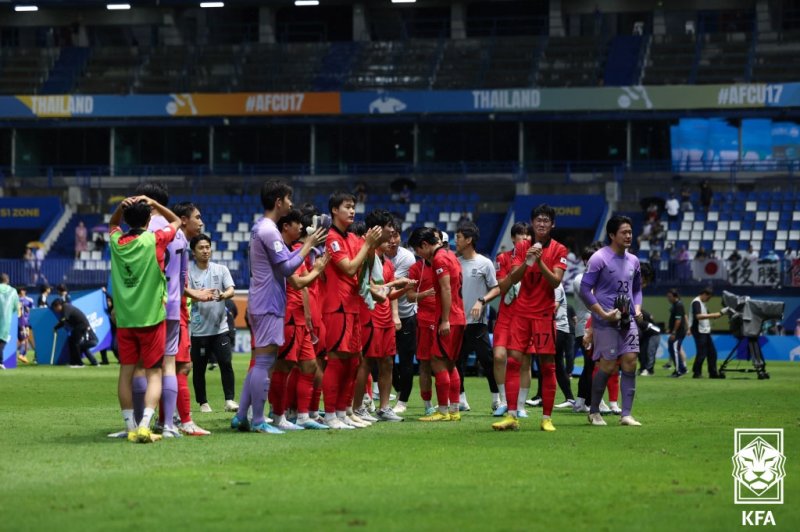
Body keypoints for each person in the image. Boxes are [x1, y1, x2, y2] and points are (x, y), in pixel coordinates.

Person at [230, 180, 327, 434]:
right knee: (265, 362)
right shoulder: (269, 231)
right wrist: (308, 245)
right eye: (288, 199)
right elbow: (286, 269)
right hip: (268, 303)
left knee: (261, 361)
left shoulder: (260, 228)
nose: (291, 204)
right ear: (278, 202)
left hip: (262, 300)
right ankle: (260, 420)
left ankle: (242, 415)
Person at [109, 194, 180, 443]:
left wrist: (120, 208)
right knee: (154, 374)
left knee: (126, 373)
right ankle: (145, 425)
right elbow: (177, 221)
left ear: (127, 219)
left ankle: (129, 426)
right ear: (149, 218)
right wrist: (156, 204)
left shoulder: (116, 241)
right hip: (151, 318)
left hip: (126, 320)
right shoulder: (154, 239)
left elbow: (112, 224)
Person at [492, 204, 567, 432]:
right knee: (514, 362)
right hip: (521, 314)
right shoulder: (522, 247)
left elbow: (555, 282)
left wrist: (540, 260)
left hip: (544, 314)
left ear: (552, 224)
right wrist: (528, 261)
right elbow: (513, 279)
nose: (542, 224)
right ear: (533, 224)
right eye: (538, 220)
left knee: (547, 366)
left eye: (546, 220)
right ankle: (512, 416)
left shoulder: (560, 249)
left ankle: (546, 418)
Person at [316, 191, 381, 430]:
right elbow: (350, 268)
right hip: (336, 307)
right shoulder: (331, 238)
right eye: (347, 206)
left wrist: (371, 249)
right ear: (334, 210)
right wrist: (367, 245)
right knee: (336, 360)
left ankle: (344, 412)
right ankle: (331, 414)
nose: (352, 210)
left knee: (354, 361)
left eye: (354, 206)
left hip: (353, 306)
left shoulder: (353, 239)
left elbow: (367, 269)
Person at [269, 209, 330, 431]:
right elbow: (298, 283)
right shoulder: (289, 251)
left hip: (300, 317)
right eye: (297, 224)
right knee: (284, 366)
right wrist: (318, 270)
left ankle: (303, 415)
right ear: (286, 226)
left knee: (309, 365)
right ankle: (278, 415)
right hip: (290, 315)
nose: (301, 229)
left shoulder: (297, 251)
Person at [579, 215, 643, 427]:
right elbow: (585, 290)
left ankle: (626, 414)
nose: (628, 235)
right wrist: (602, 314)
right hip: (606, 321)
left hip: (628, 319)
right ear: (612, 235)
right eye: (624, 232)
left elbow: (637, 289)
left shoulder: (634, 260)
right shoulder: (599, 258)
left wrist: (637, 308)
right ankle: (594, 411)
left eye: (630, 232)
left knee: (631, 361)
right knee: (606, 366)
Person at [352, 210, 413, 423]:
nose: (393, 234)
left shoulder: (386, 262)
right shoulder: (366, 252)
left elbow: (385, 293)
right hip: (369, 315)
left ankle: (384, 408)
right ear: (378, 230)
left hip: (385, 317)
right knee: (367, 362)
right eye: (389, 228)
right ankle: (357, 407)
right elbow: (366, 286)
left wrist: (403, 288)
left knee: (387, 362)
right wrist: (393, 284)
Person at [408, 227, 466, 422]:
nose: (418, 255)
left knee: (437, 361)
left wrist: (445, 320)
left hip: (449, 318)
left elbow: (446, 289)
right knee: (450, 364)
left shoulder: (440, 259)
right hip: (459, 316)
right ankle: (455, 410)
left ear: (424, 245)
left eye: (418, 250)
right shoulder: (450, 255)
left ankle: (442, 411)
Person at [172, 201, 212, 436]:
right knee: (181, 366)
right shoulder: (177, 242)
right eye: (197, 217)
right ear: (183, 219)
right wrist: (193, 293)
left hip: (176, 312)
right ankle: (182, 420)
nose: (201, 221)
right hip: (175, 313)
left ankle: (170, 418)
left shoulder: (180, 243)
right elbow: (171, 278)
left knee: (172, 367)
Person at [188, 234, 238, 416]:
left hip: (220, 328)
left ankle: (229, 400)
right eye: (201, 248)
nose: (205, 251)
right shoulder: (188, 272)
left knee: (226, 362)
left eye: (207, 247)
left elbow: (231, 289)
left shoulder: (221, 269)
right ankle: (203, 402)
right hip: (199, 330)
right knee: (199, 368)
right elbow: (184, 293)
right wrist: (198, 295)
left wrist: (224, 295)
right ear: (193, 252)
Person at [454, 221, 500, 412]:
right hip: (458, 322)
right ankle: (461, 399)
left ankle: (497, 399)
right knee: (457, 361)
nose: (456, 241)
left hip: (477, 323)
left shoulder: (485, 263)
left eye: (458, 237)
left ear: (469, 240)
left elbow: (496, 288)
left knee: (487, 361)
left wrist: (482, 301)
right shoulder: (455, 262)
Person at [492, 222, 530, 416]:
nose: (524, 239)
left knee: (524, 362)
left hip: (526, 317)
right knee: (499, 357)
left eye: (527, 236)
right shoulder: (502, 258)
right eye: (521, 236)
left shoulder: (536, 260)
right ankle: (505, 400)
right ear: (514, 238)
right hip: (506, 315)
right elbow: (501, 285)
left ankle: (521, 405)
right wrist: (515, 278)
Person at [385, 218, 418, 415]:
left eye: (396, 235)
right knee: (382, 360)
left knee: (406, 359)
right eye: (389, 236)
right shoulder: (377, 256)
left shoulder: (408, 258)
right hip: (381, 315)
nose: (393, 240)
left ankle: (403, 400)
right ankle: (397, 389)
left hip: (406, 315)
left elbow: (396, 286)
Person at [690, 286, 725, 378]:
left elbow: (705, 315)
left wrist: (719, 314)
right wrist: (714, 314)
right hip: (699, 331)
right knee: (702, 353)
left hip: (704, 331)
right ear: (705, 294)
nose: (709, 299)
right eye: (709, 297)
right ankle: (696, 373)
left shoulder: (702, 303)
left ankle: (713, 373)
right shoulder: (696, 302)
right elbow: (698, 316)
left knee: (712, 353)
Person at [51, 298, 99, 367]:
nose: (55, 310)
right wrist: (56, 327)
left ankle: (79, 363)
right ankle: (73, 362)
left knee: (76, 343)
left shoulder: (65, 307)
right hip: (78, 326)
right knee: (71, 342)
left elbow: (64, 320)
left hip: (81, 325)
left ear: (58, 305)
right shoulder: (65, 308)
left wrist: (56, 327)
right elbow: (63, 321)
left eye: (55, 308)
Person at [636, 263, 659, 376]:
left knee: (646, 352)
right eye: (645, 280)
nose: (645, 284)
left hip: (650, 334)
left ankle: (647, 369)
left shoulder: (638, 292)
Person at [666, 288, 688, 376]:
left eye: (669, 297)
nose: (668, 298)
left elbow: (678, 320)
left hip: (678, 332)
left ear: (675, 296)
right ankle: (682, 368)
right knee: (673, 348)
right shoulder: (675, 305)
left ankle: (678, 371)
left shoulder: (678, 305)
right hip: (676, 331)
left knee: (674, 350)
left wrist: (674, 332)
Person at [0, 274, 20, 370]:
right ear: (7, 280)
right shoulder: (13, 291)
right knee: (2, 340)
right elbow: (17, 306)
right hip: (5, 319)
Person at [99, 291, 118, 365]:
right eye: (107, 301)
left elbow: (112, 298)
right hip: (106, 330)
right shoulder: (104, 310)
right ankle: (105, 360)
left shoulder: (114, 308)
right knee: (102, 346)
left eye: (109, 301)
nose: (108, 302)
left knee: (114, 346)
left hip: (115, 330)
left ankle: (120, 359)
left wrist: (105, 292)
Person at [16, 286, 34, 364]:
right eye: (22, 290)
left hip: (25, 322)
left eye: (24, 290)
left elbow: (32, 310)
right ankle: (21, 354)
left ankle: (23, 355)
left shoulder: (29, 300)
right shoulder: (16, 300)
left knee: (25, 338)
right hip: (21, 322)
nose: (23, 291)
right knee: (23, 339)